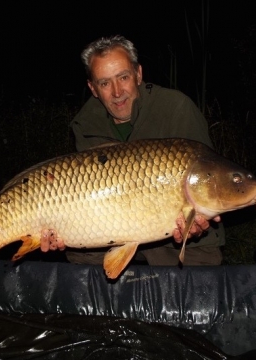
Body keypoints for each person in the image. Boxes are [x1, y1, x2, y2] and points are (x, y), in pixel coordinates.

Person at [43, 35, 225, 266]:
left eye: (123, 77)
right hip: (113, 224)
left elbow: (207, 175)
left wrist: (196, 222)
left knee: (197, 267)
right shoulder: (86, 125)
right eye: (105, 83)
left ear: (138, 74)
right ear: (93, 88)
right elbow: (83, 198)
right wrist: (61, 232)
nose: (117, 92)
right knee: (80, 253)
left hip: (174, 241)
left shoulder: (177, 109)